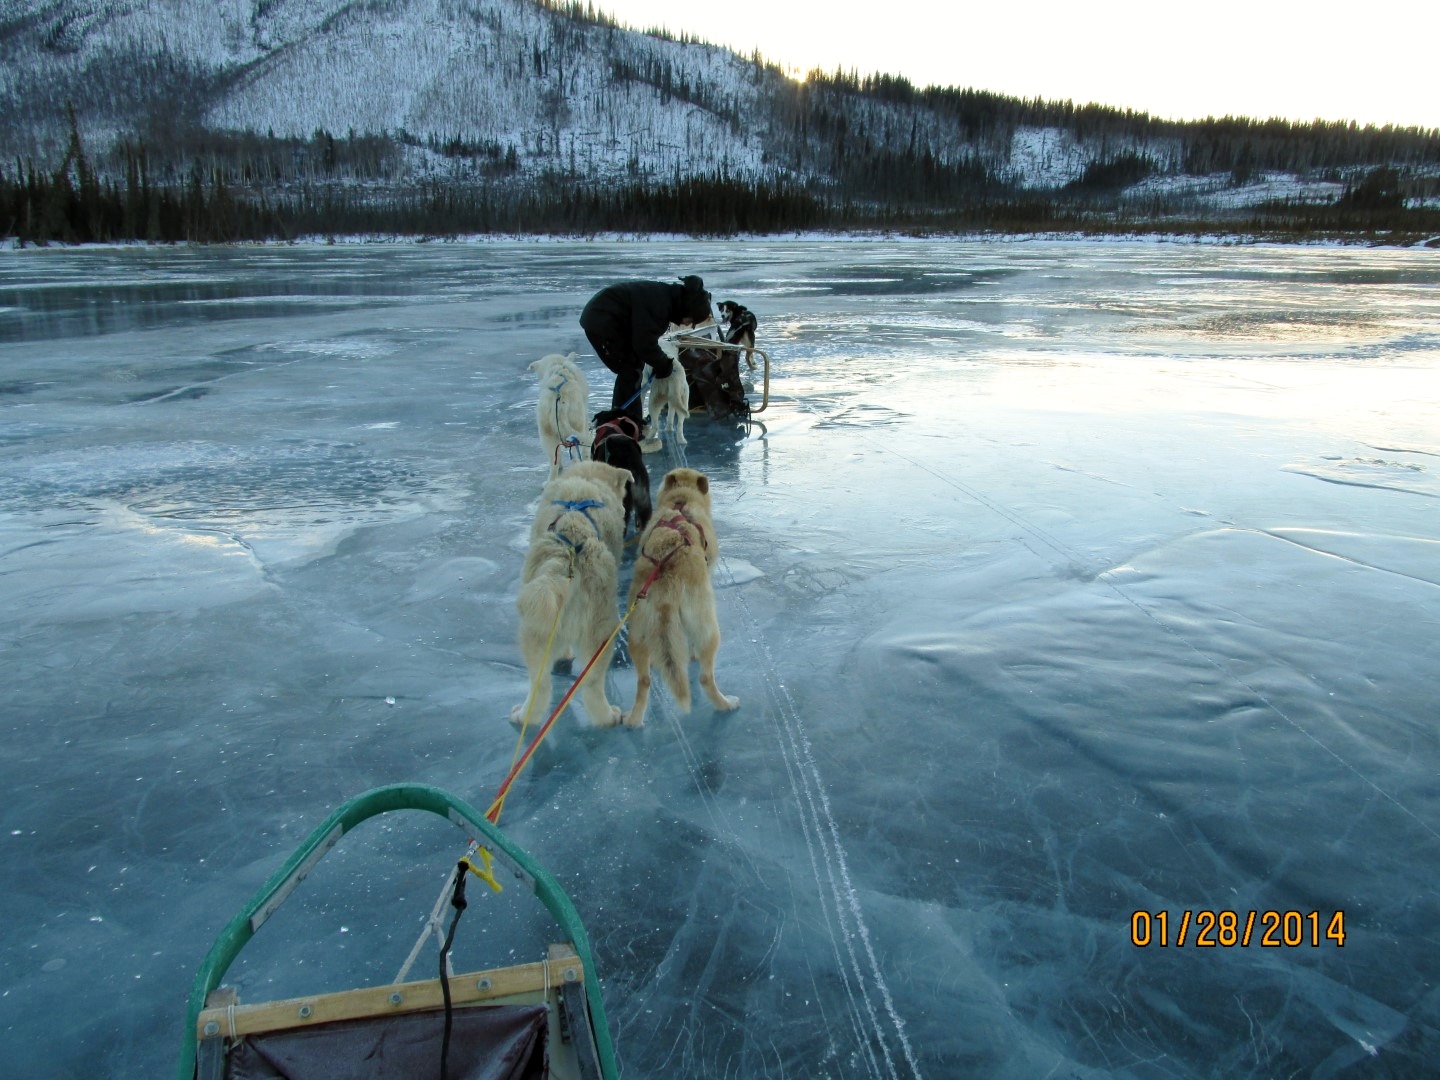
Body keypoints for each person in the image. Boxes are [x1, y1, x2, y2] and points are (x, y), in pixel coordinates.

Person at [579, 275, 712, 424]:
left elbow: (643, 342)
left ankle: (628, 421)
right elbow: (644, 344)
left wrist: (659, 363)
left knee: (634, 368)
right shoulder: (660, 305)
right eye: (692, 320)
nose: (688, 324)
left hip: (610, 321)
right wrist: (663, 364)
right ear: (688, 308)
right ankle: (625, 424)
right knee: (629, 371)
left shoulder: (666, 299)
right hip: (602, 322)